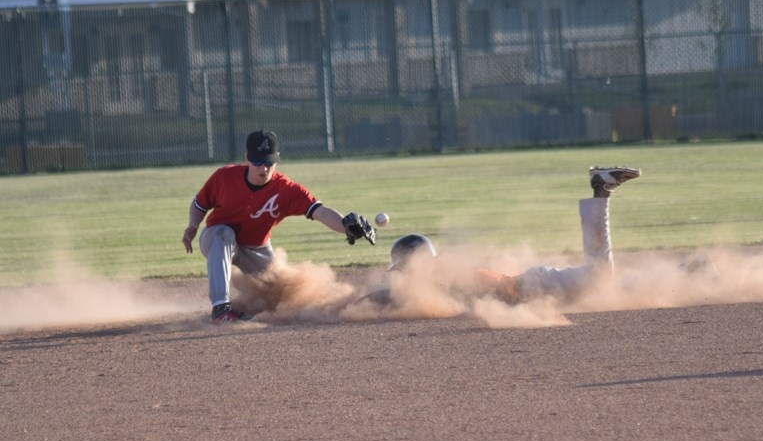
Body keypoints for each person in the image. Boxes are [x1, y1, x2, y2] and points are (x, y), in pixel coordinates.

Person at [371, 166, 642, 306]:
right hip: (536, 285)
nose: (404, 275)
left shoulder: (447, 272)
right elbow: (390, 297)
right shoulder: (436, 279)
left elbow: (498, 285)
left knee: (600, 277)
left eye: (404, 268)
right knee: (606, 285)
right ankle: (680, 273)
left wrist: (508, 298)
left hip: (535, 285)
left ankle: (602, 189)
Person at [182, 129, 376, 324]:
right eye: (258, 162)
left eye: (268, 163)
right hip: (216, 238)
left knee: (281, 295)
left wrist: (346, 226)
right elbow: (199, 204)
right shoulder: (224, 177)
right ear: (247, 158)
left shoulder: (286, 189)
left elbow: (321, 212)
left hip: (256, 249)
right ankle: (221, 309)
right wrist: (192, 225)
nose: (264, 169)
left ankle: (242, 308)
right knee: (224, 234)